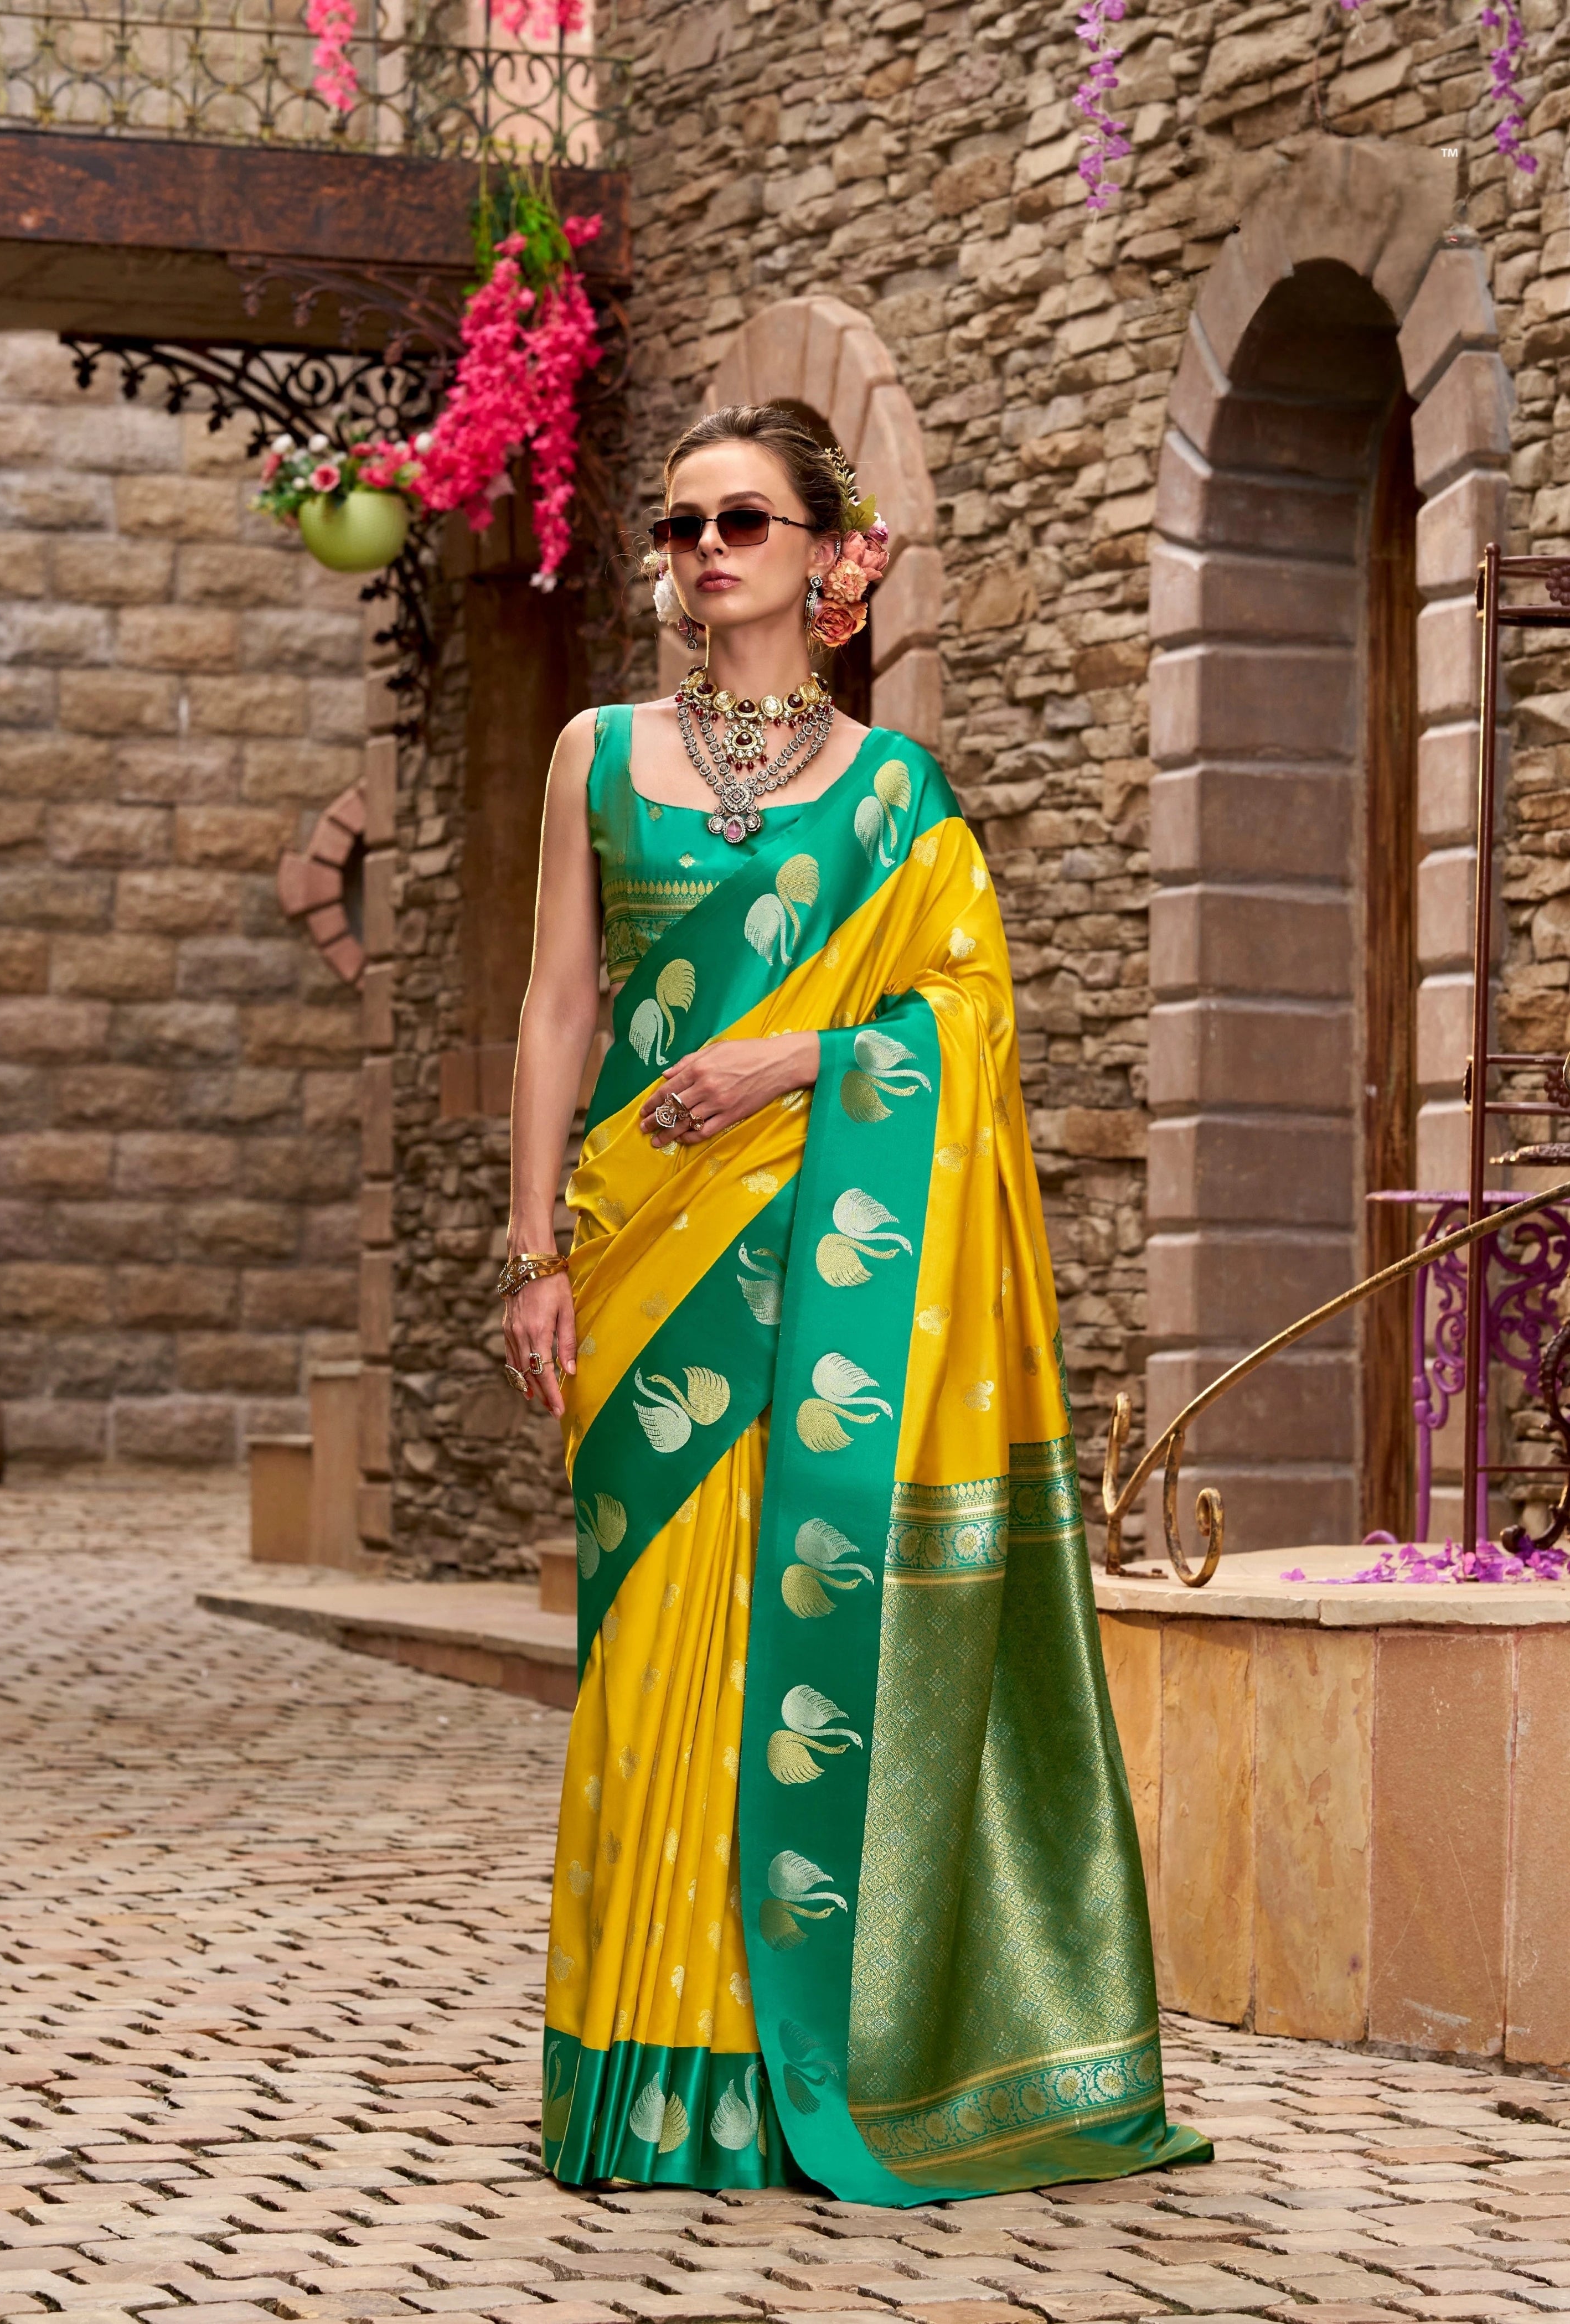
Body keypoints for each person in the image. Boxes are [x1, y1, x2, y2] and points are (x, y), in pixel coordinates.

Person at [500, 403, 1210, 2202]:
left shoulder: (896, 796)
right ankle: (643, 2072)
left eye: (744, 522)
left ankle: (783, 2064)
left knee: (794, 1650)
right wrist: (532, 1252)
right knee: (651, 1648)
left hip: (825, 1292)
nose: (707, 553)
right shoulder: (599, 754)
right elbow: (557, 1010)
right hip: (646, 1259)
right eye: (679, 529)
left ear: (833, 554)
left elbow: (964, 1023)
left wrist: (800, 1058)